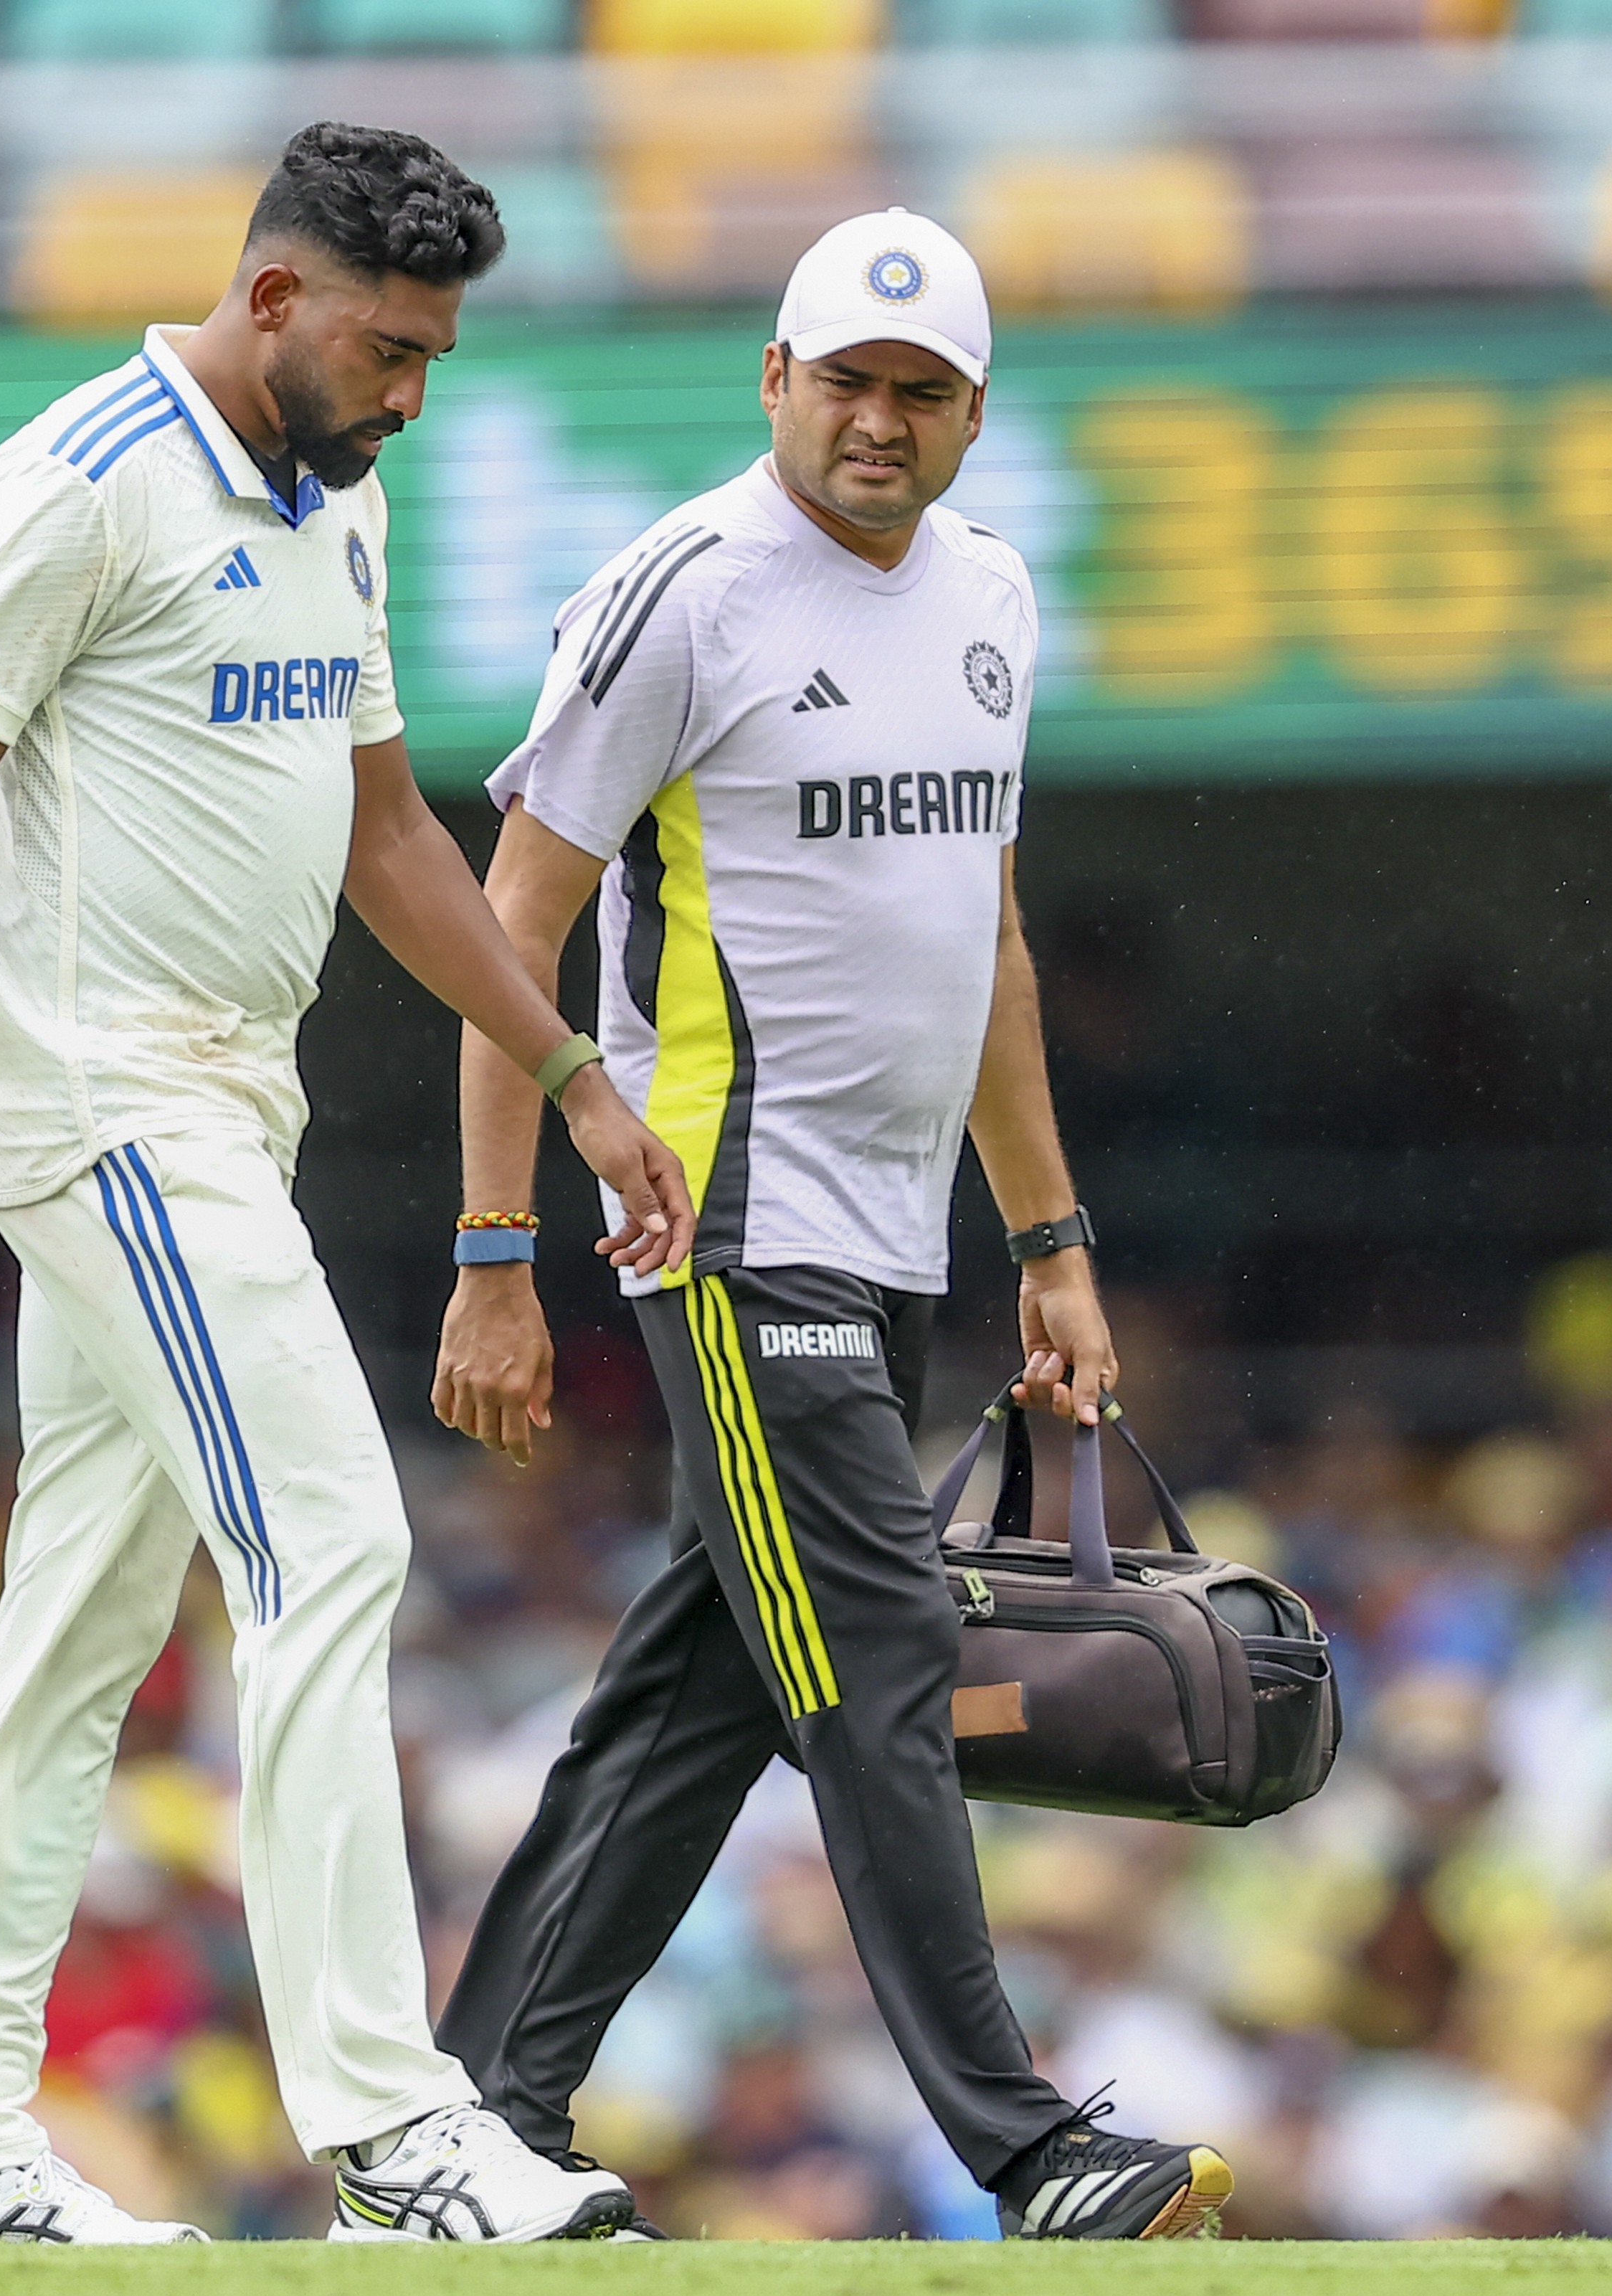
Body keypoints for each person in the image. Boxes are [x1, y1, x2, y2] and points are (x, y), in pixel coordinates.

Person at [0, 124, 693, 2248]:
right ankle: (394, 2128)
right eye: (389, 347)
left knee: (79, 1624)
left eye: (438, 359)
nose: (410, 396)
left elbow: (391, 843)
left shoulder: (327, 514)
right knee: (338, 1534)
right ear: (274, 299)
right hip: (102, 1103)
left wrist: (571, 1079)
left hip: (224, 1105)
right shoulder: (83, 474)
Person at [427, 208, 1233, 2242]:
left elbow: (989, 944)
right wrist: (493, 1249)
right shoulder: (679, 592)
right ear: (772, 381)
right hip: (719, 1230)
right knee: (882, 1646)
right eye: (844, 380)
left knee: (694, 1698)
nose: (878, 420)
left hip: (891, 1246)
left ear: (973, 413)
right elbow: (504, 926)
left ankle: (467, 2126)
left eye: (920, 390)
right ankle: (1030, 2147)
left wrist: (1048, 1236)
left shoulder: (995, 599)